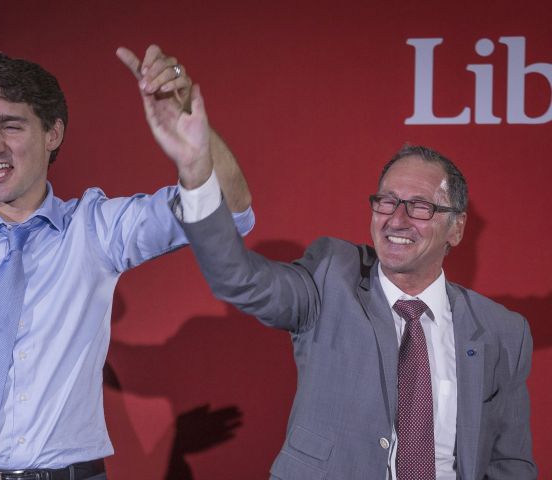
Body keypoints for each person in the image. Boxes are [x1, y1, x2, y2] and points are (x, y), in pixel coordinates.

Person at [0, 45, 253, 480]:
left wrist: (195, 142)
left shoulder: (95, 231)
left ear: (52, 133)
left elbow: (230, 212)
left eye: (10, 126)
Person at [158, 87, 536, 478]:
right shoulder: (330, 278)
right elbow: (239, 279)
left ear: (455, 228)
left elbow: (509, 463)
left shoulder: (501, 332)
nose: (397, 219)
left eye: (420, 206)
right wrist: (196, 171)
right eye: (387, 201)